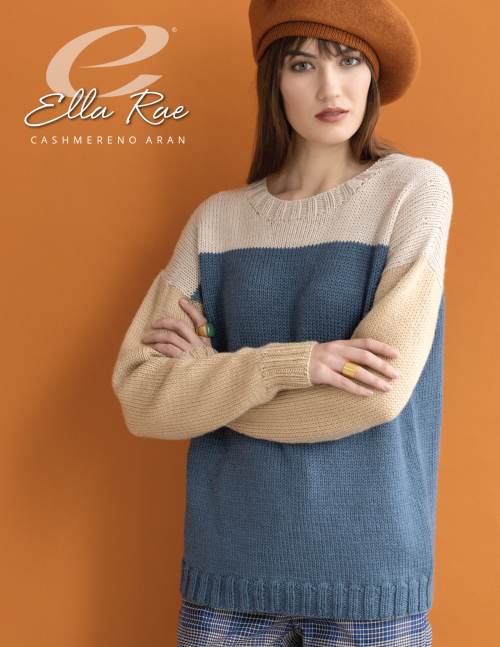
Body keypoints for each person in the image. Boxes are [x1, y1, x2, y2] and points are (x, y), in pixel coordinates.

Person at [111, 1, 453, 645]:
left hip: (368, 578)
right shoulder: (216, 221)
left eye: (349, 61)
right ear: (274, 80)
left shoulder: (412, 191)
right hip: (227, 572)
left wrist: (212, 387)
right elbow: (141, 395)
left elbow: (375, 395)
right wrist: (293, 365)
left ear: (373, 77)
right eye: (303, 65)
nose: (331, 87)